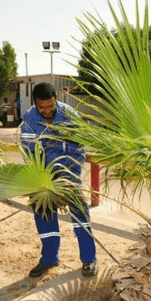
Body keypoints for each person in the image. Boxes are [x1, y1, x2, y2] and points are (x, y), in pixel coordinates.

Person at [20, 82, 97, 278]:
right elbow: (29, 151)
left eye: (50, 106)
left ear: (56, 100)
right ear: (35, 104)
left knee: (80, 213)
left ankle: (89, 259)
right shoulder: (29, 117)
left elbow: (79, 150)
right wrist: (41, 181)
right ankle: (49, 259)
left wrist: (66, 180)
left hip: (68, 175)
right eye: (42, 107)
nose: (47, 111)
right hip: (44, 178)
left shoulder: (69, 114)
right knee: (43, 214)